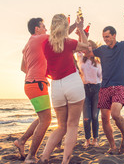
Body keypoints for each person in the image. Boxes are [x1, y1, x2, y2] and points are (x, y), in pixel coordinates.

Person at [37, 14, 89, 164]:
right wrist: (80, 28)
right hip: (72, 82)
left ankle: (45, 156)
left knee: (61, 126)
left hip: (56, 87)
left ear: (52, 26)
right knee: (72, 125)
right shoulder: (69, 42)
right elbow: (86, 48)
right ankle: (65, 161)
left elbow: (58, 37)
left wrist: (72, 26)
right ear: (65, 28)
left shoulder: (45, 43)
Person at [91, 11, 124, 154]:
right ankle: (112, 146)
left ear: (114, 35)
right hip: (105, 87)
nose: (105, 39)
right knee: (104, 117)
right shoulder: (102, 50)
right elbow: (88, 52)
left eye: (107, 36)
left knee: (115, 114)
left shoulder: (123, 46)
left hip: (119, 86)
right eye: (103, 37)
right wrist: (81, 33)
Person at [14, 18, 52, 164]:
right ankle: (31, 156)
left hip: (30, 83)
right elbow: (61, 35)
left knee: (43, 117)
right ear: (37, 29)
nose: (46, 30)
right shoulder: (40, 38)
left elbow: (23, 68)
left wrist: (38, 71)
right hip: (37, 84)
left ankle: (21, 141)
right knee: (46, 119)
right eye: (44, 26)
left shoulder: (28, 44)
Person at [76, 40, 102, 149]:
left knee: (95, 116)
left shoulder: (98, 62)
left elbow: (101, 76)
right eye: (87, 46)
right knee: (86, 118)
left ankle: (95, 140)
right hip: (84, 89)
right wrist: (81, 35)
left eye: (91, 46)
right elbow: (78, 46)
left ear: (94, 48)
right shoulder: (81, 59)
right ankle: (87, 140)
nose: (89, 47)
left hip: (96, 89)